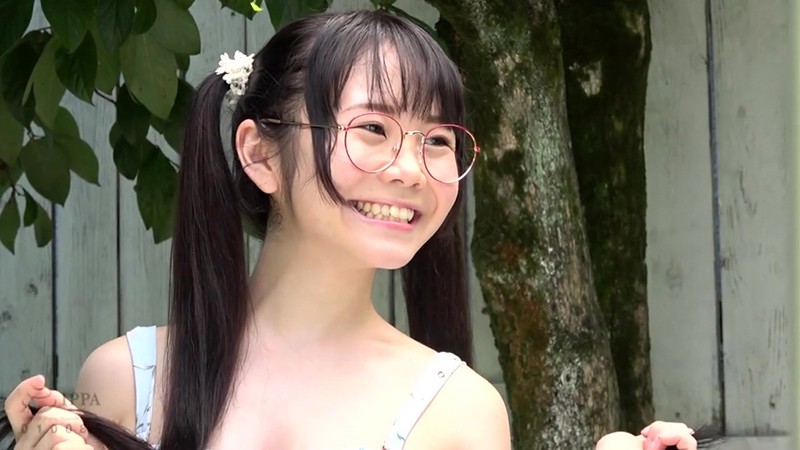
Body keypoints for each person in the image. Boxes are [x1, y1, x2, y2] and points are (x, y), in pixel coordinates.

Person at [2, 10, 697, 450]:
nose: (412, 169)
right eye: (373, 128)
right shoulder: (125, 377)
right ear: (259, 154)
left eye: (438, 140)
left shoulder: (459, 410)